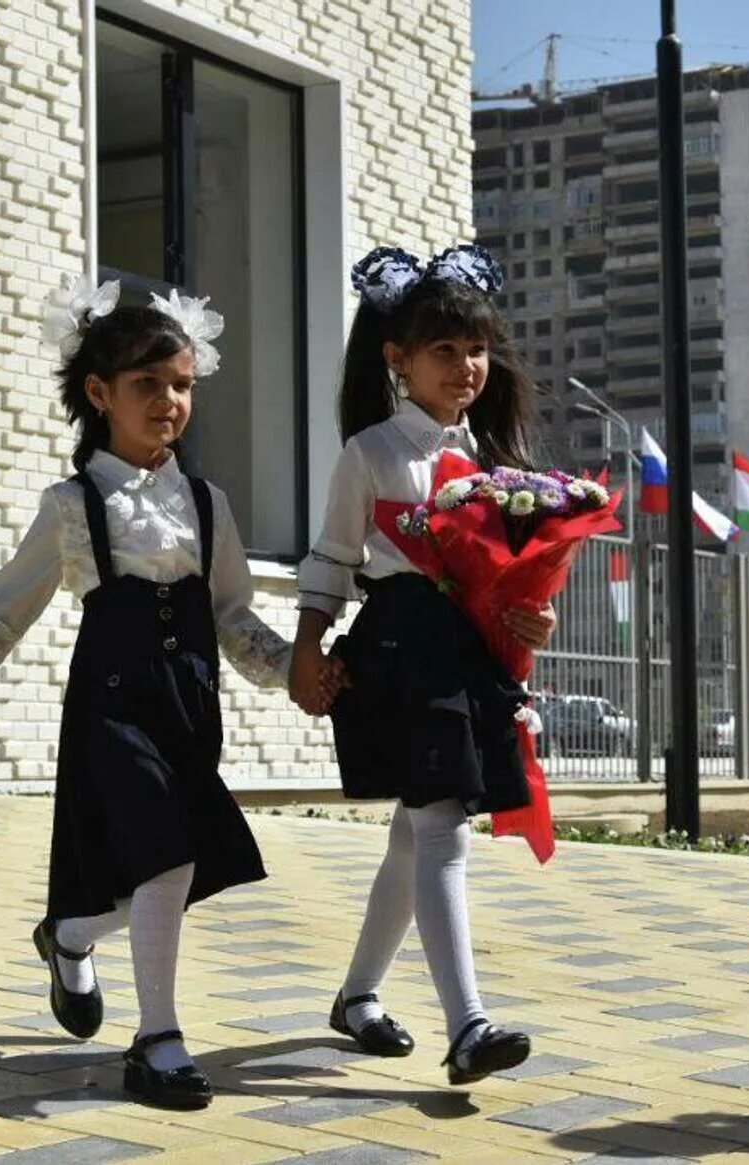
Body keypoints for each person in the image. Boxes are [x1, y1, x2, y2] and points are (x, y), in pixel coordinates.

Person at [0, 278, 319, 1109]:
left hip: (190, 706)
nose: (169, 401)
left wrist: (296, 672)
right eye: (148, 384)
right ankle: (159, 1037)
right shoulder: (72, 505)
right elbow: (2, 609)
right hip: (113, 704)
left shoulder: (208, 503)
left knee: (173, 867)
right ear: (100, 393)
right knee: (169, 858)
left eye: (182, 385)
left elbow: (234, 615)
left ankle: (69, 934)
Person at [292, 244, 552, 1087]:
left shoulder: (490, 464)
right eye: (443, 349)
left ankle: (358, 996)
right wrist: (306, 649)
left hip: (468, 656)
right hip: (401, 655)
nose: (465, 365)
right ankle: (469, 1024)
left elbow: (510, 577)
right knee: (440, 825)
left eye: (475, 348)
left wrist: (532, 616)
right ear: (396, 358)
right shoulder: (369, 453)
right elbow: (331, 561)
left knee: (415, 836)